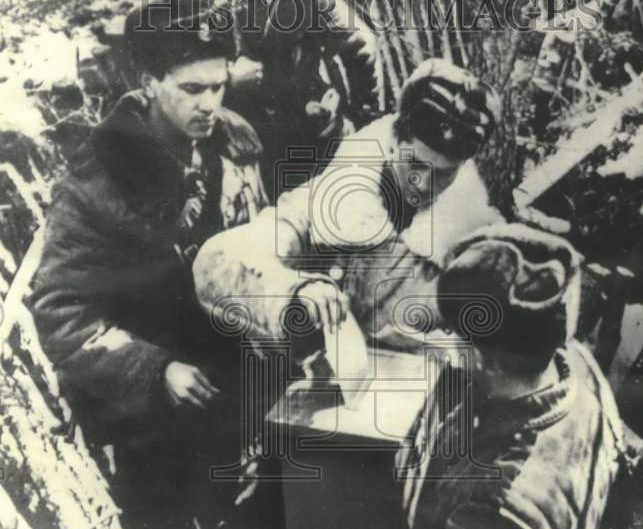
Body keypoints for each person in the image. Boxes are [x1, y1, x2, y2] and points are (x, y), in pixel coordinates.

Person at [30, 0, 268, 529]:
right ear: (147, 82)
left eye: (219, 86)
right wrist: (156, 368)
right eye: (191, 88)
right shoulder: (95, 183)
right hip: (144, 412)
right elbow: (61, 312)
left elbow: (252, 244)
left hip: (225, 379)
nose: (210, 103)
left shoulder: (230, 145)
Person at [192, 58, 506, 351]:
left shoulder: (471, 222)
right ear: (395, 141)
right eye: (417, 166)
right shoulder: (337, 195)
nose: (424, 185)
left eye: (443, 174)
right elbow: (217, 260)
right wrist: (295, 291)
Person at [395, 223, 624, 529]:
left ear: (479, 356)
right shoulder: (577, 365)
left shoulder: (490, 518)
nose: (444, 340)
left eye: (452, 333)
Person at [194, 0, 378, 194]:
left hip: (305, 137)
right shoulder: (207, 0)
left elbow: (360, 44)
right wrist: (227, 79)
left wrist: (353, 111)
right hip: (240, 151)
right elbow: (181, 73)